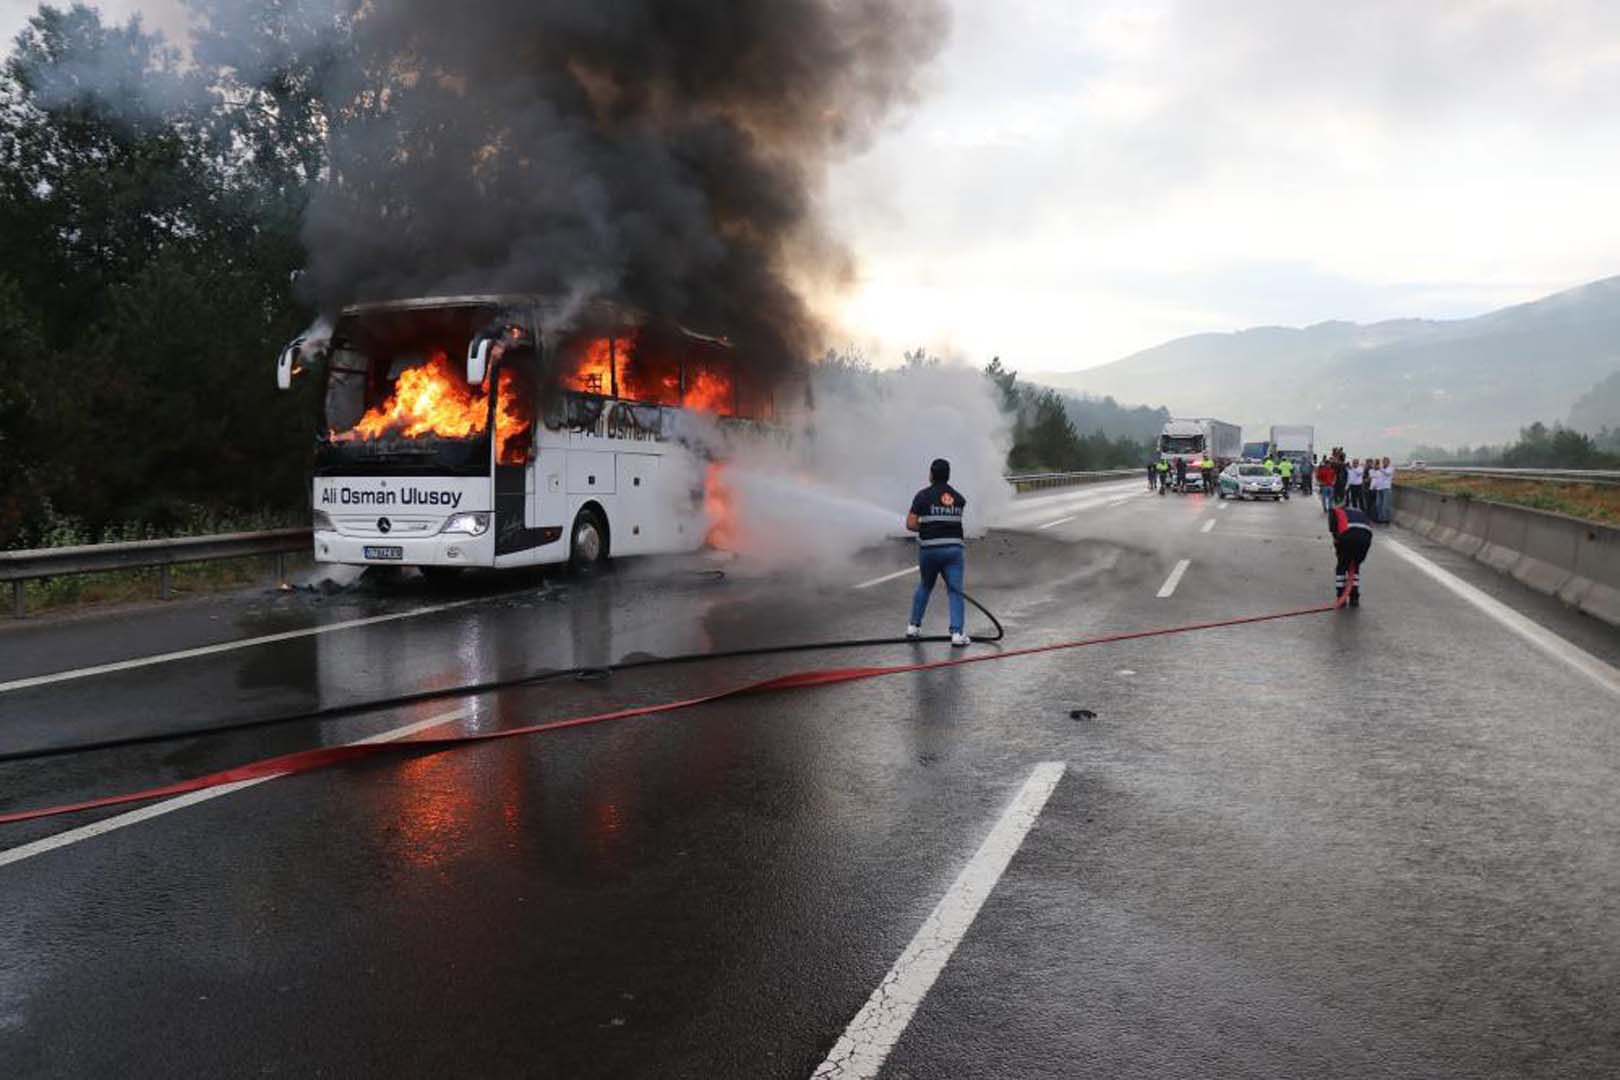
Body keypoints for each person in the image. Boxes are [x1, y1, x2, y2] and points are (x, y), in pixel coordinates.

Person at [905, 458, 971, 646]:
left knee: (926, 585)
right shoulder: (959, 499)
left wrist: (926, 529)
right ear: (948, 475)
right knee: (955, 591)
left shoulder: (922, 496)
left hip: (929, 551)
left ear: (931, 474)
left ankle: (913, 627)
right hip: (953, 552)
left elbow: (910, 524)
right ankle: (957, 634)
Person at [1327, 503, 1373, 607]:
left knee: (1342, 566)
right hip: (1365, 538)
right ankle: (1354, 597)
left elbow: (1335, 533)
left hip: (1348, 535)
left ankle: (1341, 597)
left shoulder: (1336, 511)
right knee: (1355, 566)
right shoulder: (1359, 512)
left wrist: (1339, 550)